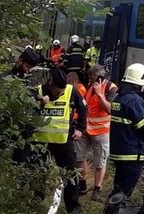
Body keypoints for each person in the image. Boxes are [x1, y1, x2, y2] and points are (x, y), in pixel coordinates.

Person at [108, 63, 144, 199]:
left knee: (119, 187)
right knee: (123, 193)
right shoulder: (135, 102)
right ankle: (115, 210)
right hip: (132, 154)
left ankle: (111, 208)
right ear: (140, 82)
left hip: (119, 152)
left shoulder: (119, 99)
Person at [33, 67, 88, 214]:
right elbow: (27, 111)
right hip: (41, 142)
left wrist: (80, 128)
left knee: (70, 174)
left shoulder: (71, 91)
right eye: (57, 92)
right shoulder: (38, 91)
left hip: (63, 142)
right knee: (39, 173)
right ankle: (35, 203)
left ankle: (74, 207)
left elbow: (83, 109)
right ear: (51, 85)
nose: (60, 94)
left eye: (62, 92)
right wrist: (38, 104)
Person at [75, 65, 117, 197]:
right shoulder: (89, 85)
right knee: (78, 156)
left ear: (100, 77)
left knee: (100, 162)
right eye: (89, 78)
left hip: (101, 131)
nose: (90, 80)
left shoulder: (111, 88)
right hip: (85, 129)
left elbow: (110, 109)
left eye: (92, 78)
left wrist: (100, 95)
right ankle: (82, 184)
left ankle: (97, 190)